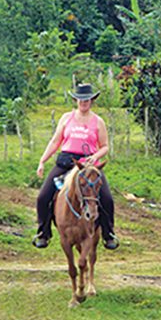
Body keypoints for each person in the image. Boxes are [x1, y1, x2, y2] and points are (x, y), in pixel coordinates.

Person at [33, 83, 118, 250]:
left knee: (107, 198)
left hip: (88, 165)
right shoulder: (66, 118)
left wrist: (94, 157)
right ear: (75, 100)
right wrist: (42, 160)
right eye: (80, 100)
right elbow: (55, 141)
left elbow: (105, 146)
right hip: (66, 162)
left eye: (86, 100)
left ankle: (108, 235)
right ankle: (43, 233)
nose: (83, 103)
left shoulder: (98, 122)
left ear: (92, 100)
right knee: (42, 197)